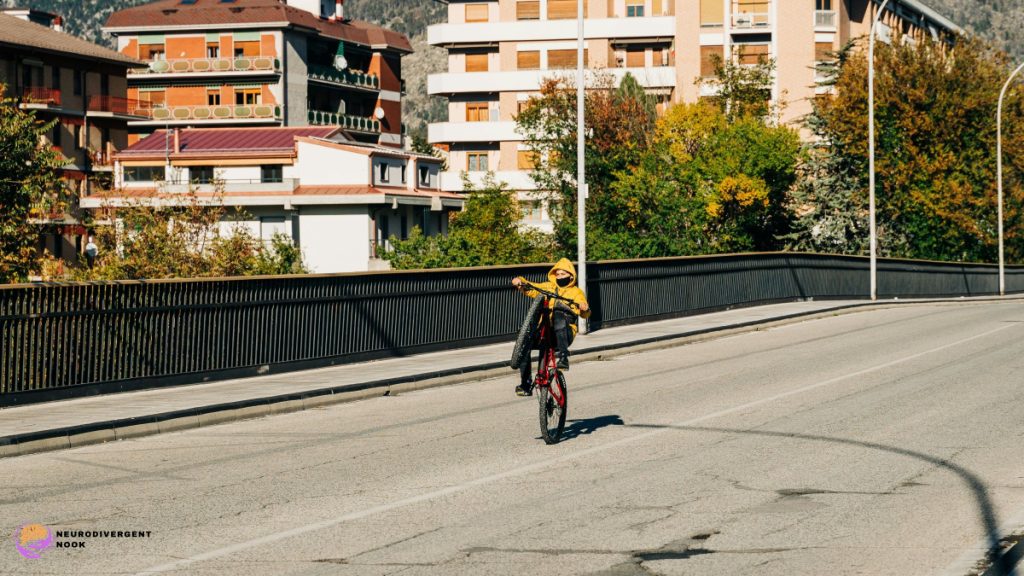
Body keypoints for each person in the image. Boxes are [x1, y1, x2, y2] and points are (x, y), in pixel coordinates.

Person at [512, 258, 590, 396]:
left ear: (571, 276)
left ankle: (564, 357)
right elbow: (531, 287)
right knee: (525, 343)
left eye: (563, 274)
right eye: (558, 274)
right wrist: (520, 281)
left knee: (559, 315)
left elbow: (584, 312)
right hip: (545, 331)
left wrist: (584, 307)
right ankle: (526, 383)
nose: (560, 277)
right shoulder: (549, 287)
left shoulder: (576, 292)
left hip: (563, 335)